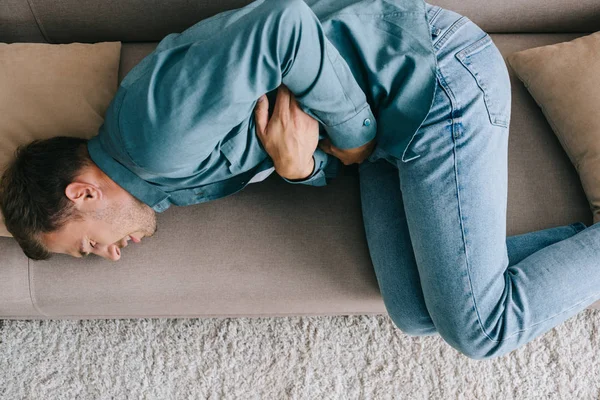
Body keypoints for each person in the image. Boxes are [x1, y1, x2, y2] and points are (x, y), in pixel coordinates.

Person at [1, 0, 597, 360]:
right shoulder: (160, 180)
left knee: (478, 330)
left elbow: (281, 25)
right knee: (416, 315)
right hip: (390, 129)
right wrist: (303, 167)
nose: (107, 256)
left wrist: (357, 136)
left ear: (81, 193)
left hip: (433, 80)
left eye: (87, 243)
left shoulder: (156, 138)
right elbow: (293, 145)